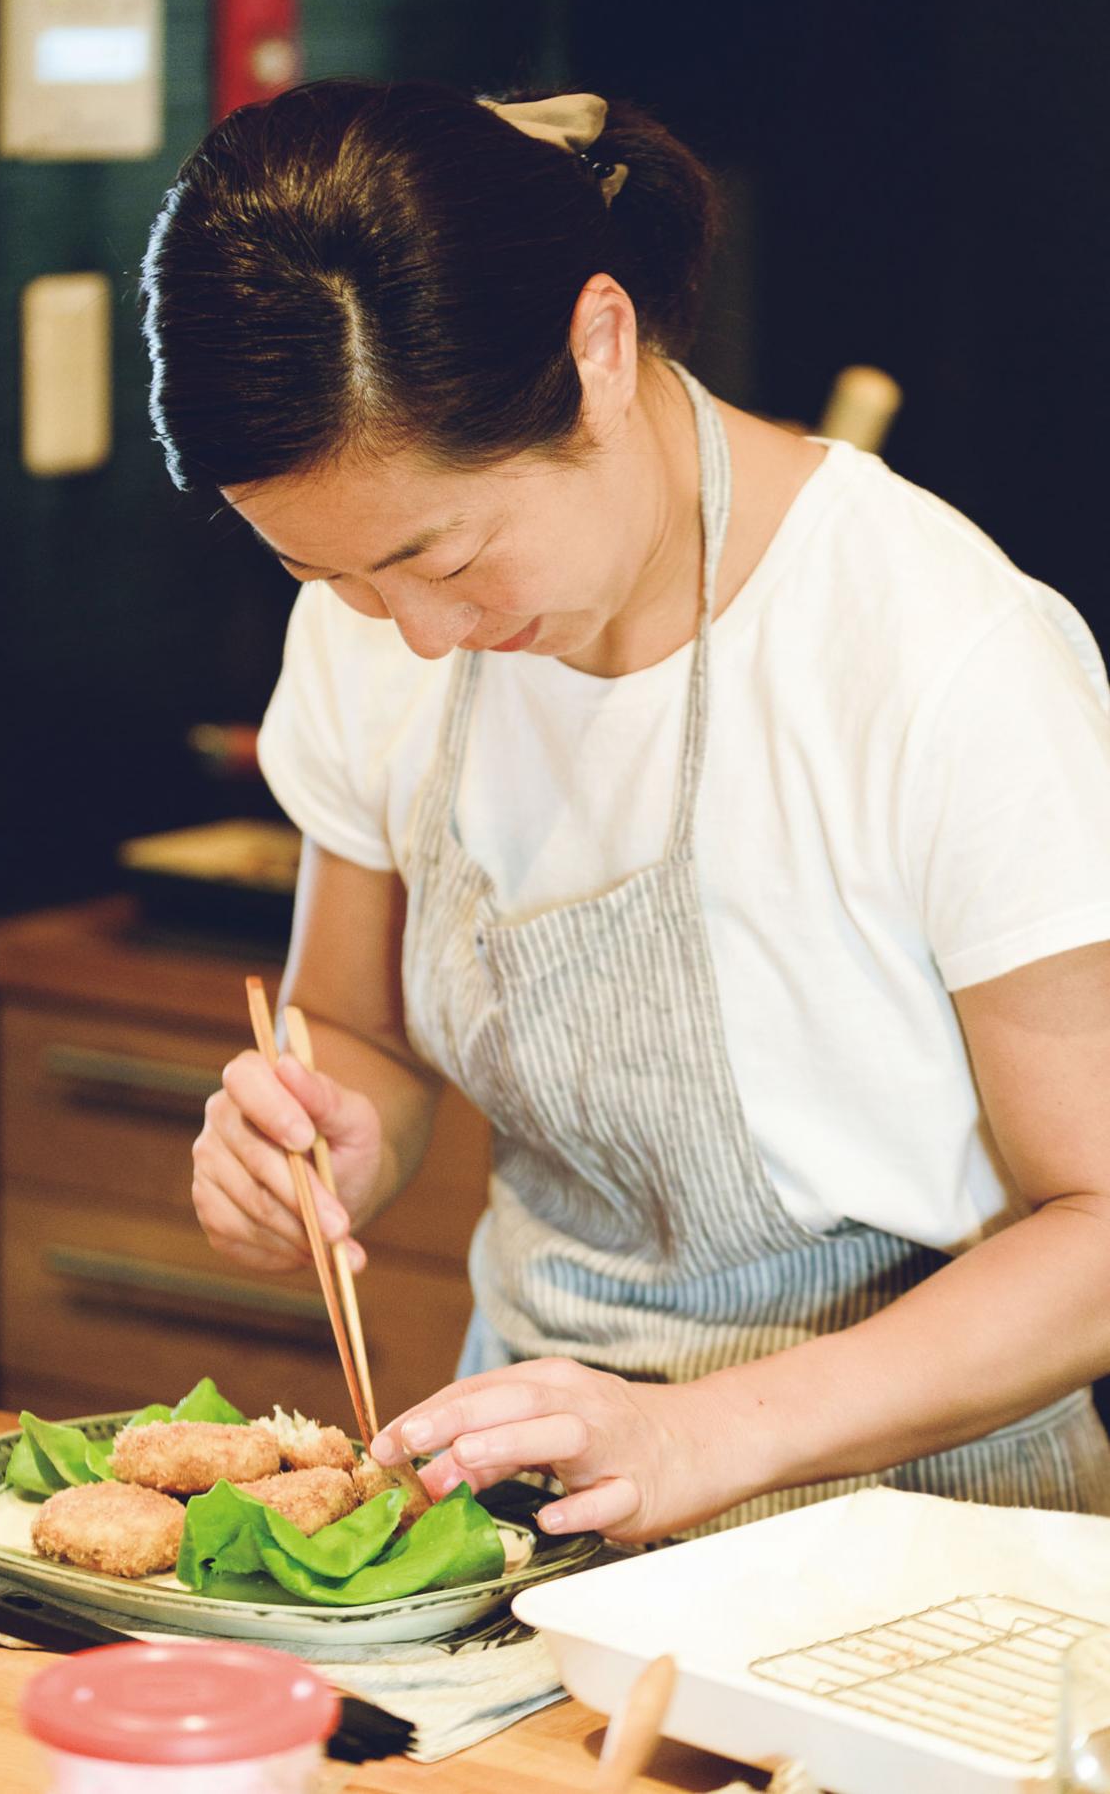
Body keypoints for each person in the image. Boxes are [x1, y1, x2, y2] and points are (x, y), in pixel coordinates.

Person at [140, 79, 1110, 1541]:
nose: (416, 634)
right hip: (539, 1510)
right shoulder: (374, 621)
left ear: (598, 348)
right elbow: (357, 1029)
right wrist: (326, 1144)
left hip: (930, 1534)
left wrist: (704, 1431)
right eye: (327, 578)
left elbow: (1099, 1232)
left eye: (444, 558)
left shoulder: (939, 653)